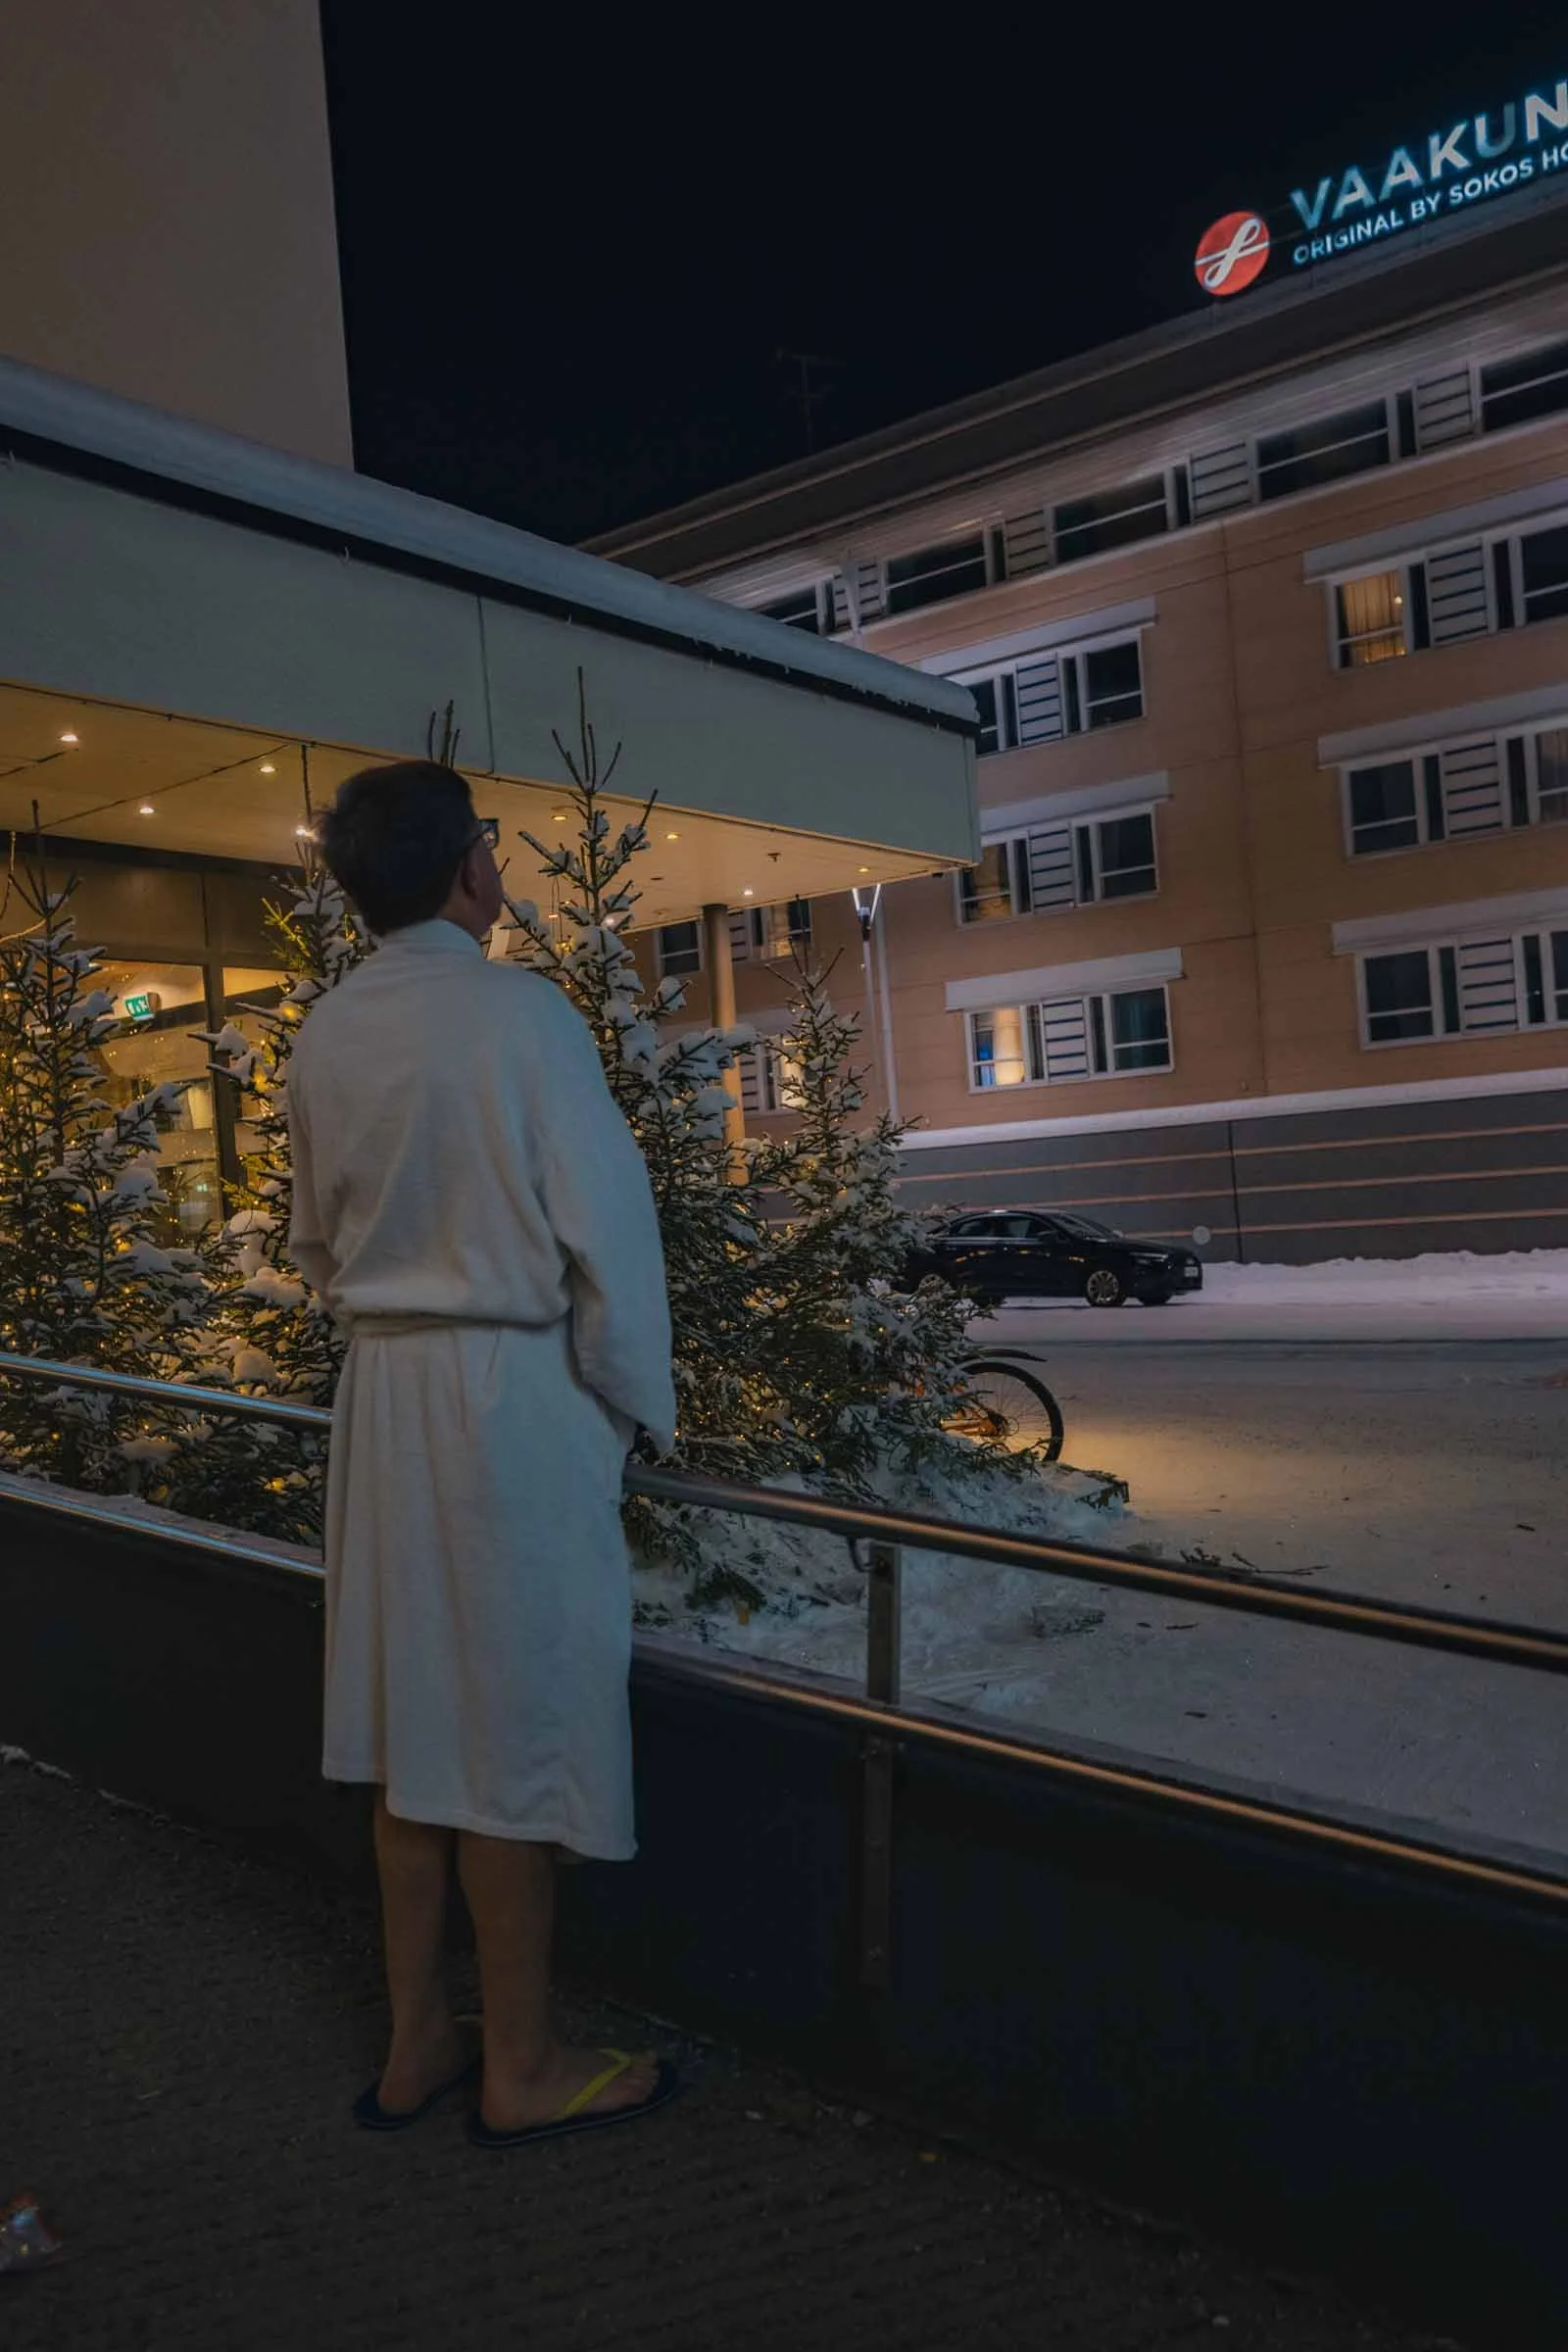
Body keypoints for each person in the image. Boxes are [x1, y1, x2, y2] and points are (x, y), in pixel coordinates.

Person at [287, 759, 679, 2149]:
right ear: (472, 869)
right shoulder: (523, 1016)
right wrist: (629, 1410)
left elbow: (314, 1244)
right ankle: (521, 2064)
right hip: (507, 1401)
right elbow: (608, 1235)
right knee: (508, 1732)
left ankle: (416, 2049)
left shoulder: (326, 1030)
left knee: (410, 1732)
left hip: (382, 1400)